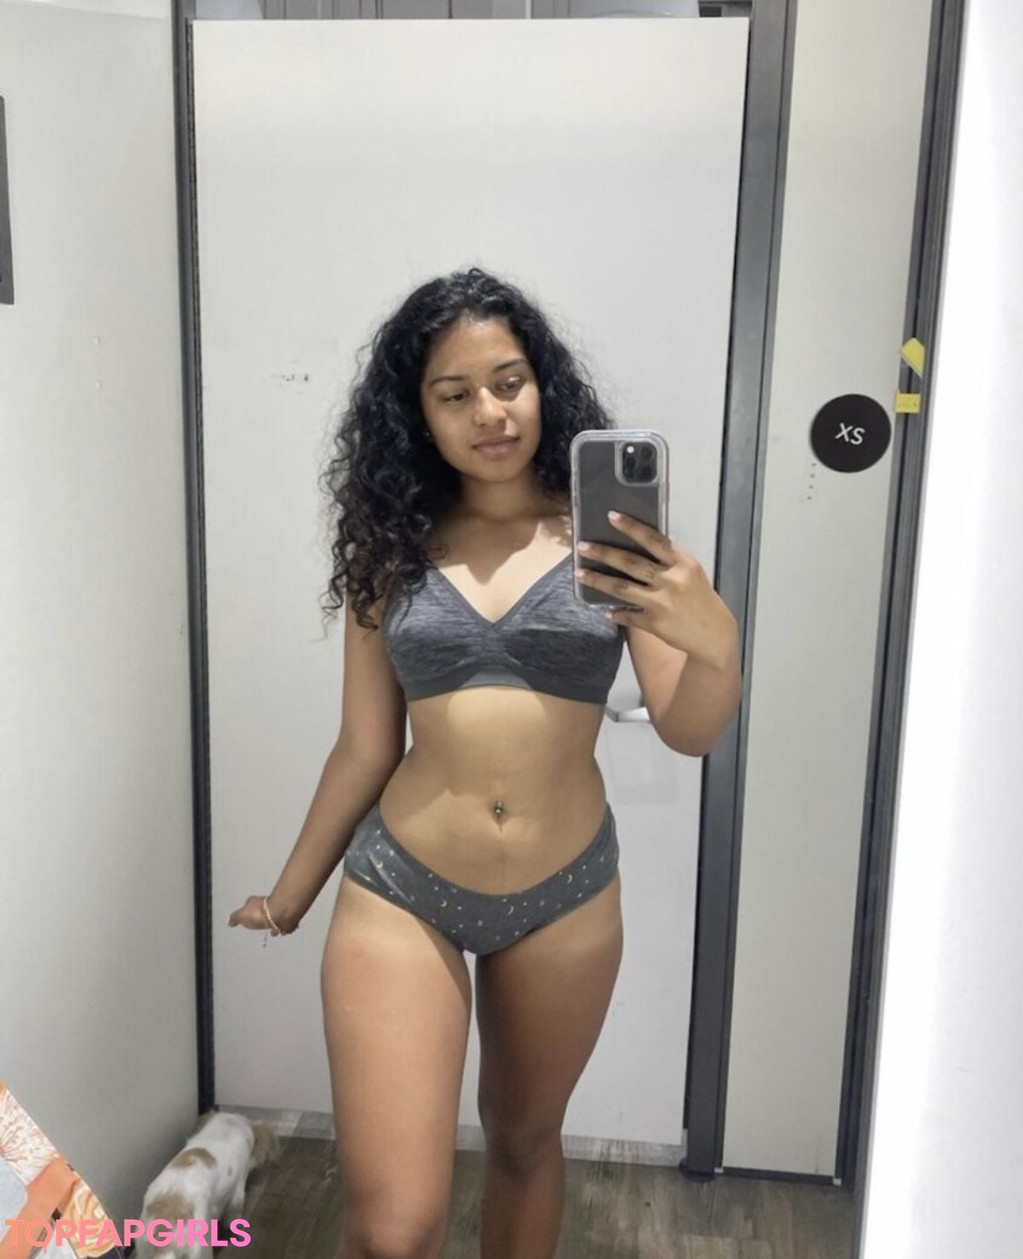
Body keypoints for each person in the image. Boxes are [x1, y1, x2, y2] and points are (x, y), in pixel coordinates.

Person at [228, 267, 741, 1259]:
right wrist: (290, 894)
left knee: (524, 1143)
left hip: (566, 893)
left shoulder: (615, 541)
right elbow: (365, 745)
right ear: (418, 415)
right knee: (393, 1229)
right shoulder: (391, 546)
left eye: (508, 382)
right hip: (403, 885)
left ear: (542, 384)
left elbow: (690, 728)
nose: (489, 413)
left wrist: (715, 640)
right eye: (454, 393)